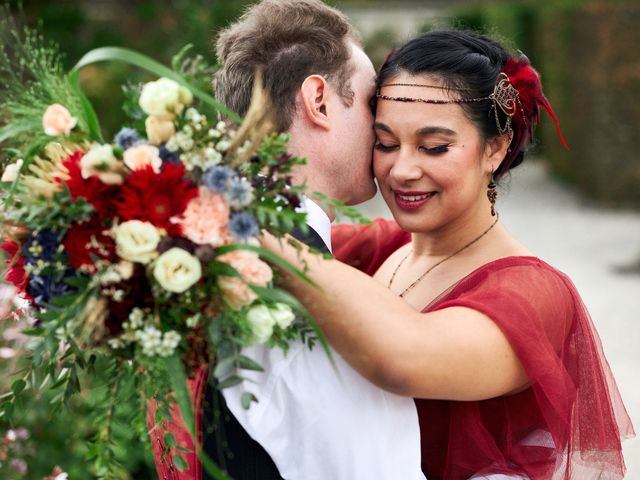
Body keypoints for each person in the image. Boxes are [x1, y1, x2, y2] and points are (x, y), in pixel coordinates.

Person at [260, 30, 635, 479]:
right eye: (385, 142)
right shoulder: (380, 247)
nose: (402, 170)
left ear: (494, 149)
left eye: (434, 147)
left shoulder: (535, 295)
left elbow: (401, 360)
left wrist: (249, 234)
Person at [148, 1, 424, 479]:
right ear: (318, 100)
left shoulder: (186, 254)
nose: (384, 128)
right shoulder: (295, 295)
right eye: (370, 102)